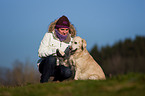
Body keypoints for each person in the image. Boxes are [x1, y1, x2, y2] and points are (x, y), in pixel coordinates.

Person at [38, 15, 76, 83]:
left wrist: (68, 53)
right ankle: (43, 82)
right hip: (45, 65)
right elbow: (40, 53)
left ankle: (56, 81)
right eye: (62, 29)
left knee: (68, 72)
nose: (65, 32)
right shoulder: (48, 36)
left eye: (67, 29)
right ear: (57, 28)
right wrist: (55, 52)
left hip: (60, 67)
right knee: (51, 59)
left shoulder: (71, 41)